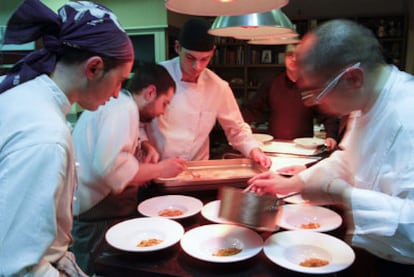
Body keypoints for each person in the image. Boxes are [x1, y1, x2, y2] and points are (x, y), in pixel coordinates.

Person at [247, 19, 414, 269]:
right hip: (370, 249)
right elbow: (347, 159)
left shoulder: (407, 114)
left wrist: (342, 195)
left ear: (353, 78)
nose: (313, 104)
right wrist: (293, 183)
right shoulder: (368, 99)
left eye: (317, 92)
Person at [0, 0, 134, 276]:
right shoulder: (45, 136)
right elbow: (17, 267)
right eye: (120, 80)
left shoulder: (27, 97)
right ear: (94, 68)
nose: (117, 94)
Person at [70, 64, 186, 274]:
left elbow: (117, 145)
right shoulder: (124, 109)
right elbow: (110, 168)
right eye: (165, 103)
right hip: (94, 217)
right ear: (150, 92)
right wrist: (161, 169)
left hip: (94, 212)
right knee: (90, 270)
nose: (162, 112)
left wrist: (144, 144)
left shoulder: (123, 105)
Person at [144, 18, 271, 168]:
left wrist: (254, 150)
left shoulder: (218, 86)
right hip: (156, 168)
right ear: (178, 47)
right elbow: (137, 122)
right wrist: (145, 145)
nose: (197, 66)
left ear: (213, 52)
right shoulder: (156, 76)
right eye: (190, 58)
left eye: (205, 59)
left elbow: (236, 128)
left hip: (197, 170)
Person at [241, 44, 340, 151]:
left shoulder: (312, 86)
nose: (294, 59)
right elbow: (253, 109)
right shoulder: (272, 83)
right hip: (274, 146)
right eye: (290, 55)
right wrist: (238, 125)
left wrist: (331, 136)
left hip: (305, 149)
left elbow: (328, 114)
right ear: (284, 57)